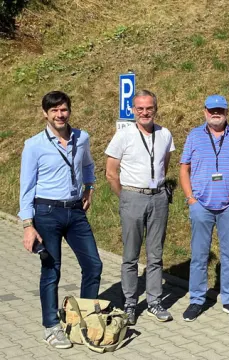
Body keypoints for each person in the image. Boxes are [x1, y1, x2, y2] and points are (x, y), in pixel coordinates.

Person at [19, 91, 103, 349]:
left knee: (94, 266)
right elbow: (26, 187)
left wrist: (89, 187)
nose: (59, 114)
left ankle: (85, 318)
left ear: (69, 111)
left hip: (76, 211)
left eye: (63, 109)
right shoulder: (34, 145)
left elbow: (88, 165)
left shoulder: (82, 137)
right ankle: (51, 327)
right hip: (46, 212)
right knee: (51, 271)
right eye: (54, 110)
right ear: (45, 113)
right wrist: (28, 225)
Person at [179, 95, 229, 321]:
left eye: (220, 110)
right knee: (199, 255)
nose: (216, 114)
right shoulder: (194, 136)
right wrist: (190, 198)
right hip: (201, 205)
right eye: (212, 110)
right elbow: (184, 168)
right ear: (205, 112)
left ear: (227, 112)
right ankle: (196, 300)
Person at [105, 90, 175, 325]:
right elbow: (111, 172)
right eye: (140, 109)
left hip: (158, 198)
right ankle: (130, 303)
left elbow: (165, 162)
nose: (145, 112)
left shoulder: (164, 134)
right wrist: (125, 196)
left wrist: (159, 189)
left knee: (155, 255)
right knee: (131, 256)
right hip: (132, 196)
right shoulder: (123, 135)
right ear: (133, 110)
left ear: (156, 109)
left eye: (149, 108)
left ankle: (155, 301)